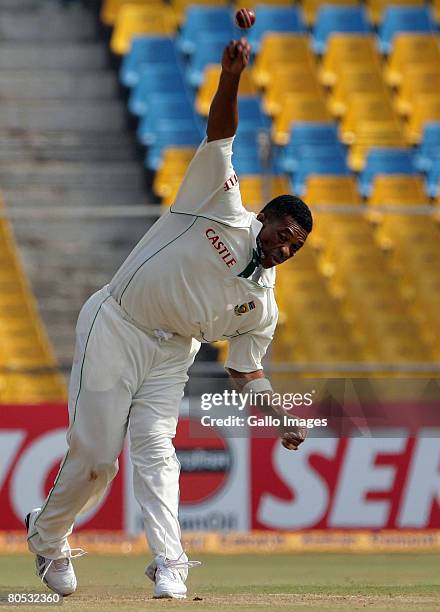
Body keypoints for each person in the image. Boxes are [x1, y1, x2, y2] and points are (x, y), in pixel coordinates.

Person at [26, 38, 313, 600]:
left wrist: (279, 415)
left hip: (172, 354)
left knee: (158, 452)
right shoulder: (218, 203)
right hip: (118, 323)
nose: (285, 249)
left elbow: (246, 372)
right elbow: (221, 134)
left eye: (296, 249)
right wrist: (231, 77)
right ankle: (48, 537)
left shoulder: (264, 307)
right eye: (284, 236)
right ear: (266, 218)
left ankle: (171, 564)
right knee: (97, 459)